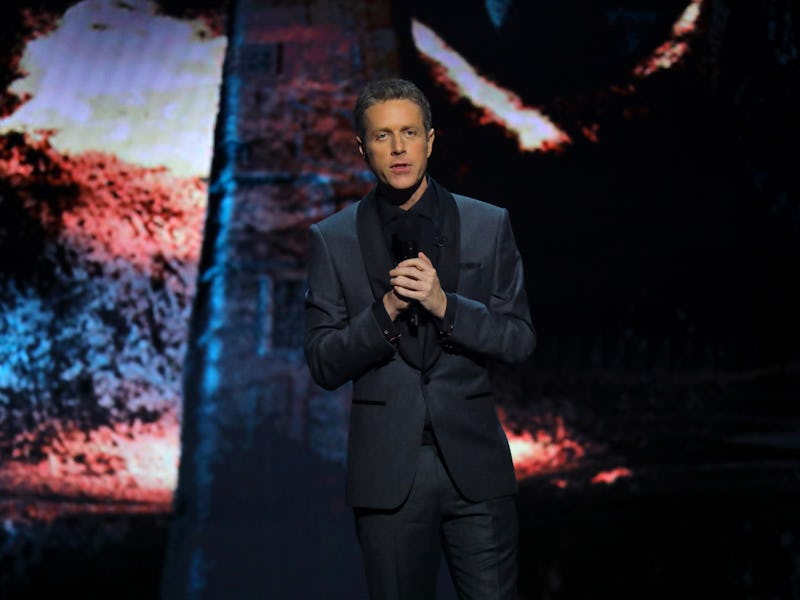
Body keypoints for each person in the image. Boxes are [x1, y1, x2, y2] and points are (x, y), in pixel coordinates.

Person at [303, 78, 535, 600]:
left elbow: (518, 340)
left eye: (409, 132)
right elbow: (323, 361)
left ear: (431, 139)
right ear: (363, 148)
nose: (398, 148)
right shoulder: (332, 239)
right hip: (387, 476)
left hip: (476, 470)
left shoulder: (487, 224)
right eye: (382, 136)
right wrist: (385, 311)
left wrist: (445, 306)